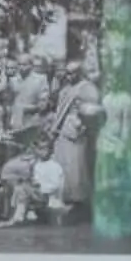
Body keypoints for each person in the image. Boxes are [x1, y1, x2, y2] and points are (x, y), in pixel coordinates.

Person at [45, 64, 103, 222]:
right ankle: (63, 199)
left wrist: (82, 122)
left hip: (76, 130)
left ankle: (79, 202)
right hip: (62, 130)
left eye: (72, 74)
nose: (68, 77)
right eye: (67, 73)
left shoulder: (87, 88)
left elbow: (94, 109)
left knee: (76, 167)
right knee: (62, 164)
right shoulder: (66, 88)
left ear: (79, 73)